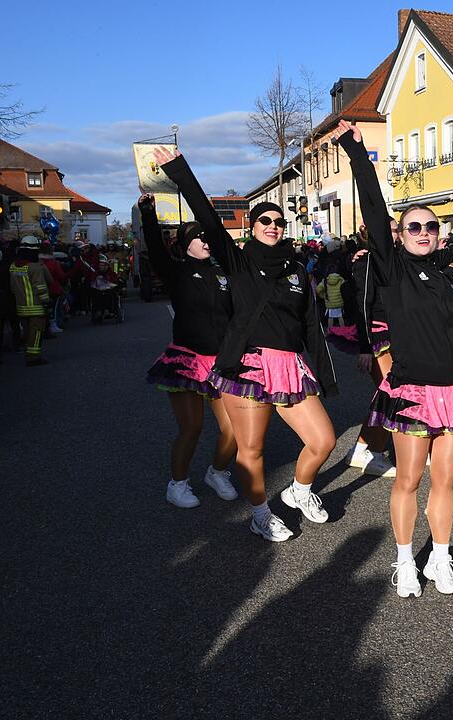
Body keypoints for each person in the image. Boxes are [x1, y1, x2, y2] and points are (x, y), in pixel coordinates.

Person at [157, 146, 337, 544]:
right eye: (265, 220)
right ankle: (260, 514)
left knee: (323, 440)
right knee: (250, 448)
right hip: (249, 366)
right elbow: (205, 213)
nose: (273, 225)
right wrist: (177, 168)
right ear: (252, 226)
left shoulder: (296, 269)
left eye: (278, 221)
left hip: (290, 366)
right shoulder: (236, 261)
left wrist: (325, 375)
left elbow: (311, 324)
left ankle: (300, 491)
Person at [338, 119, 453, 596]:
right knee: (408, 480)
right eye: (414, 226)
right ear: (398, 235)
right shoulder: (392, 269)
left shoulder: (445, 275)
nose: (424, 231)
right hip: (412, 391)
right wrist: (358, 152)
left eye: (431, 226)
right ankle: (404, 561)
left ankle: (440, 558)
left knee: (445, 483)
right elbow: (376, 211)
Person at [138, 193, 239, 509]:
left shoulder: (224, 273)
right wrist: (148, 212)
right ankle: (177, 484)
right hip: (186, 360)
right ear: (185, 244)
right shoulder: (176, 271)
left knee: (235, 429)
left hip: (221, 360)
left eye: (207, 237)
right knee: (192, 427)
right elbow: (155, 246)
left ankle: (217, 472)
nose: (205, 242)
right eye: (198, 237)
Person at [343, 218, 399, 478]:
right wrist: (365, 347)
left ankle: (364, 447)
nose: (394, 234)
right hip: (376, 335)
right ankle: (367, 451)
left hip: (398, 333)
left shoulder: (397, 259)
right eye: (389, 230)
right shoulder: (366, 261)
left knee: (392, 393)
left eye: (397, 229)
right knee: (391, 392)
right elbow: (361, 304)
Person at [9, 235, 53, 366]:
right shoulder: (35, 267)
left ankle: (29, 354)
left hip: (21, 307)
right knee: (36, 333)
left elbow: (12, 288)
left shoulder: (13, 266)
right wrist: (47, 302)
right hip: (36, 307)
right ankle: (33, 357)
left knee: (27, 333)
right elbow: (41, 287)